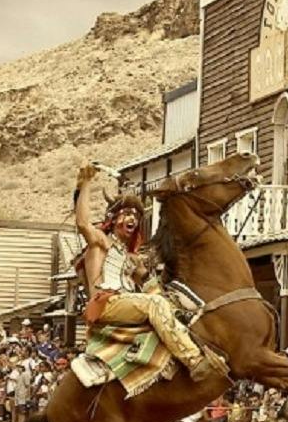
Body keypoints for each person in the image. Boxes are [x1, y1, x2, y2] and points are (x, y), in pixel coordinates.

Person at [71, 163, 222, 385]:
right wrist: (84, 183)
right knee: (154, 305)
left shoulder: (131, 257)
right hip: (105, 302)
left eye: (136, 215)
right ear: (113, 219)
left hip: (125, 301)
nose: (132, 219)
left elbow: (151, 286)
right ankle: (194, 361)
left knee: (173, 306)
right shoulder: (101, 242)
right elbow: (83, 223)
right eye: (127, 214)